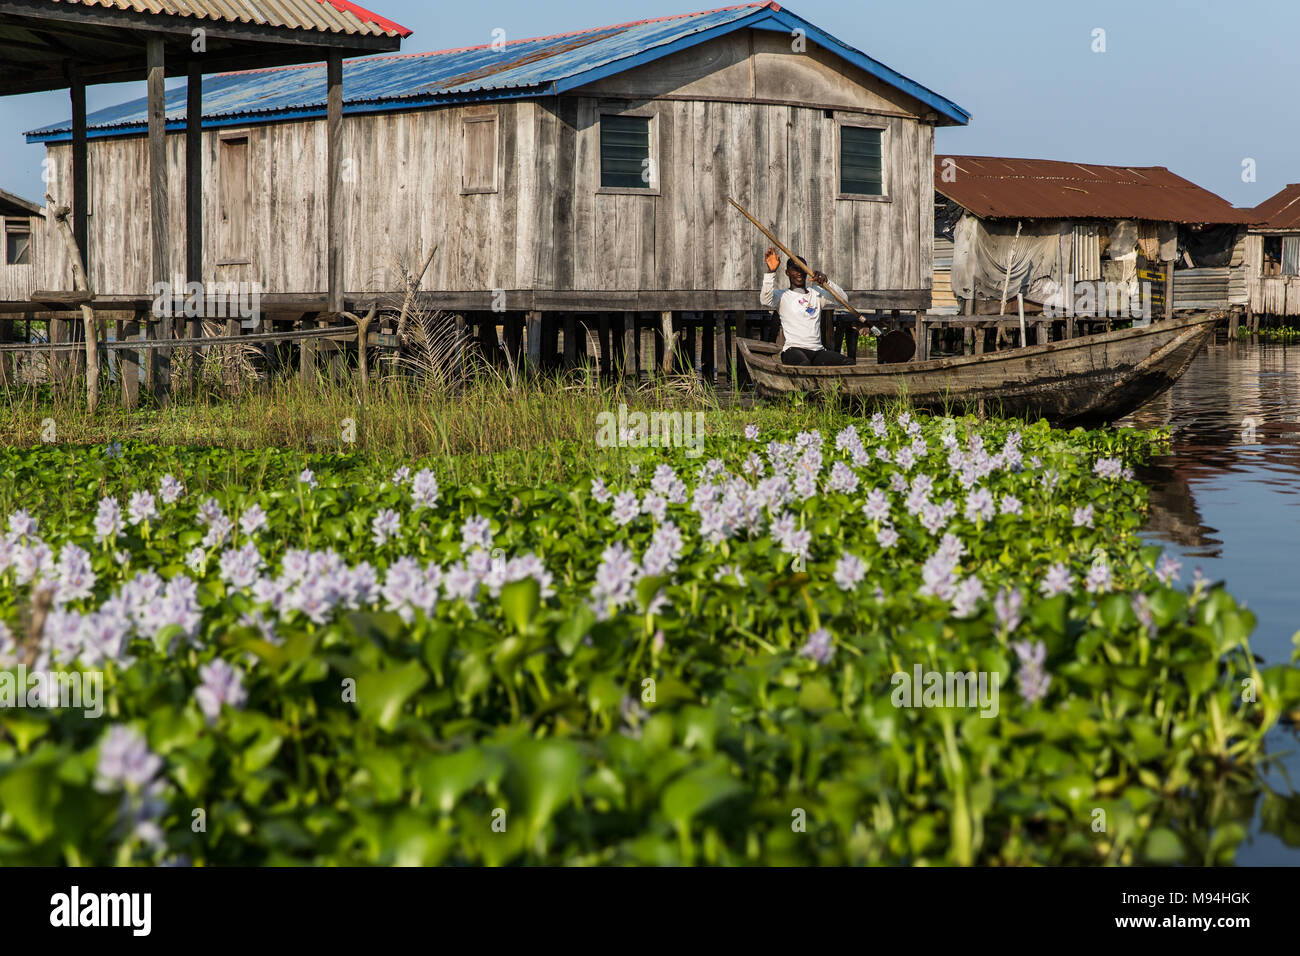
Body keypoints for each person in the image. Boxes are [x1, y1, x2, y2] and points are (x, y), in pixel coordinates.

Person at [759, 246, 854, 366]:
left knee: (849, 362)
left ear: (806, 272)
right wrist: (771, 272)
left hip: (817, 351)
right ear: (787, 272)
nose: (799, 273)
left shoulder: (816, 293)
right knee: (804, 364)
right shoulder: (782, 296)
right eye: (795, 269)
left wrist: (827, 282)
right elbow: (765, 300)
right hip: (793, 350)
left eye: (802, 269)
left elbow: (843, 300)